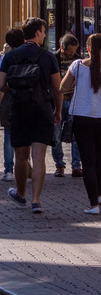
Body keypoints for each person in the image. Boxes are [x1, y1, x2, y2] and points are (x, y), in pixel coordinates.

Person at [0, 17, 61, 214]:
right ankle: (36, 201)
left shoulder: (10, 56)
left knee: (21, 156)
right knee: (39, 156)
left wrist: (14, 92)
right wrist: (57, 110)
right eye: (44, 30)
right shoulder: (48, 57)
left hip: (19, 109)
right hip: (42, 110)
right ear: (39, 32)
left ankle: (21, 194)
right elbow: (57, 88)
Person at [59, 33, 101, 214]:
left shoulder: (77, 65)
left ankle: (93, 204)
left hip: (81, 118)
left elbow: (63, 87)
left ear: (88, 48)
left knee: (88, 162)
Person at [51, 33, 82, 178]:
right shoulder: (53, 59)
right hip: (57, 101)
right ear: (62, 47)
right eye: (69, 51)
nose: (71, 54)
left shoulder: (78, 60)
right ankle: (59, 165)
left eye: (73, 51)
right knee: (55, 135)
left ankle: (76, 166)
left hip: (74, 101)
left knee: (76, 135)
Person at [0, 28, 25, 182]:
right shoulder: (33, 54)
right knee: (27, 136)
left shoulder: (6, 58)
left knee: (8, 135)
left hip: (11, 98)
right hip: (30, 99)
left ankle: (8, 170)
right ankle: (26, 169)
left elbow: (1, 85)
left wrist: (0, 105)